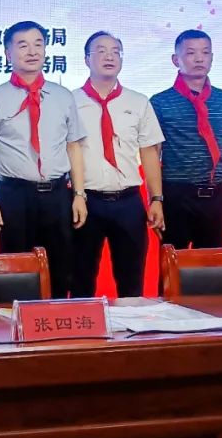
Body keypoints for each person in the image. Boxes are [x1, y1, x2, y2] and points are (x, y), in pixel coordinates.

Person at [0, 21, 86, 297]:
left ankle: (57, 321)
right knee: (17, 272)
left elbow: (73, 146)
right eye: (23, 45)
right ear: (8, 53)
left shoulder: (63, 97)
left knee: (61, 270)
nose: (32, 51)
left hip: (57, 195)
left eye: (38, 44)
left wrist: (79, 194)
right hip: (13, 195)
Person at [70, 31, 165, 298]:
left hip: (128, 202)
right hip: (85, 201)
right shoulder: (70, 102)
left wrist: (156, 199)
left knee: (132, 281)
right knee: (80, 279)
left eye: (115, 51)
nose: (109, 56)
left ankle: (132, 325)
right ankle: (84, 324)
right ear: (86, 59)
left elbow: (149, 152)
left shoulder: (138, 102)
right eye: (101, 51)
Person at [151, 29, 222, 249]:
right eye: (191, 53)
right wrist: (156, 200)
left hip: (216, 196)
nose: (199, 59)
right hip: (176, 195)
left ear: (212, 58)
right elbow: (153, 156)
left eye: (205, 53)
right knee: (174, 263)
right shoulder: (160, 102)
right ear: (175, 60)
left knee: (212, 265)